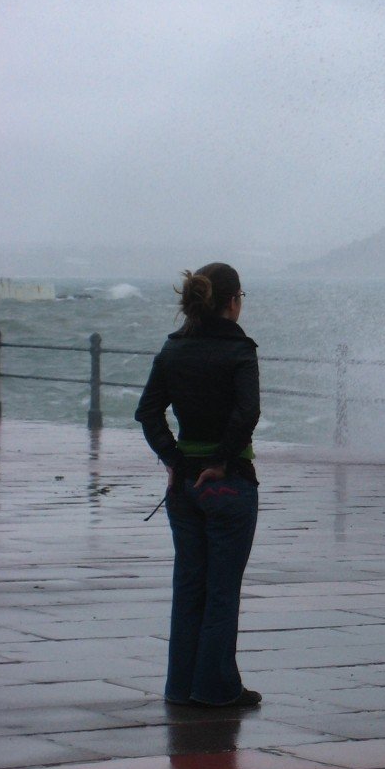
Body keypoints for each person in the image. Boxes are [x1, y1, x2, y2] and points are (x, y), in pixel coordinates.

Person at [135, 262, 262, 708]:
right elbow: (247, 413)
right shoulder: (240, 351)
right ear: (232, 302)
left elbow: (147, 413)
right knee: (222, 589)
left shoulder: (173, 350)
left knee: (190, 584)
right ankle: (216, 687)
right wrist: (222, 460)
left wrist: (174, 460)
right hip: (229, 485)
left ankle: (180, 686)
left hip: (184, 484)